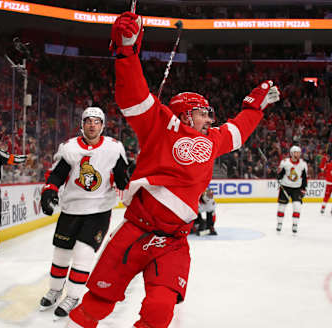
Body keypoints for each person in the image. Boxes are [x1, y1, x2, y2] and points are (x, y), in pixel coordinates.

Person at [66, 11, 280, 328]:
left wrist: (253, 108)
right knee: (97, 303)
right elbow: (133, 95)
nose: (210, 119)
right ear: (185, 113)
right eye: (203, 113)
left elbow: (236, 131)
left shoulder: (212, 139)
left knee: (160, 310)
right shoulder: (161, 123)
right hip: (135, 230)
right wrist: (126, 51)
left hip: (174, 241)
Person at [39, 107, 131, 320]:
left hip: (98, 211)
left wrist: (128, 178)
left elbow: (121, 177)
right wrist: (49, 192)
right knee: (61, 254)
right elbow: (57, 175)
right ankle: (55, 290)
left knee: (83, 254)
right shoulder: (69, 148)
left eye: (97, 121)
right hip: (71, 210)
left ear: (103, 125)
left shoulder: (114, 148)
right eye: (88, 121)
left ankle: (72, 296)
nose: (92, 125)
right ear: (82, 124)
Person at [276, 145, 308, 234]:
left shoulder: (303, 164)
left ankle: (295, 224)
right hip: (285, 187)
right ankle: (279, 223)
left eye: (299, 152)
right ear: (292, 153)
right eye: (296, 152)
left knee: (297, 206)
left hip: (297, 188)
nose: (298, 154)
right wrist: (278, 176)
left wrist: (303, 188)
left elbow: (304, 178)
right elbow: (281, 174)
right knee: (281, 207)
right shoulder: (285, 162)